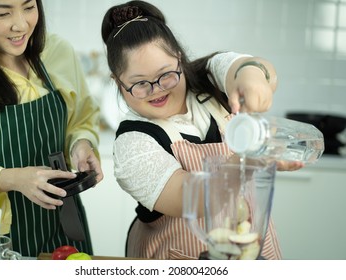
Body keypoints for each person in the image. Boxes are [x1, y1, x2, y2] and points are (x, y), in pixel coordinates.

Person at [101, 0, 303, 260]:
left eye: (166, 75)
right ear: (118, 83)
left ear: (179, 58)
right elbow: (190, 198)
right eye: (140, 84)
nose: (158, 89)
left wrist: (254, 80)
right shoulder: (132, 142)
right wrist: (248, 160)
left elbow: (247, 68)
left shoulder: (209, 78)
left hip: (255, 253)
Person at [0, 0, 103, 257]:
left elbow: (82, 119)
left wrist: (81, 143)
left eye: (28, 7)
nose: (21, 24)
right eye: (3, 13)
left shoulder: (57, 51)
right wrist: (15, 179)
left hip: (66, 224)